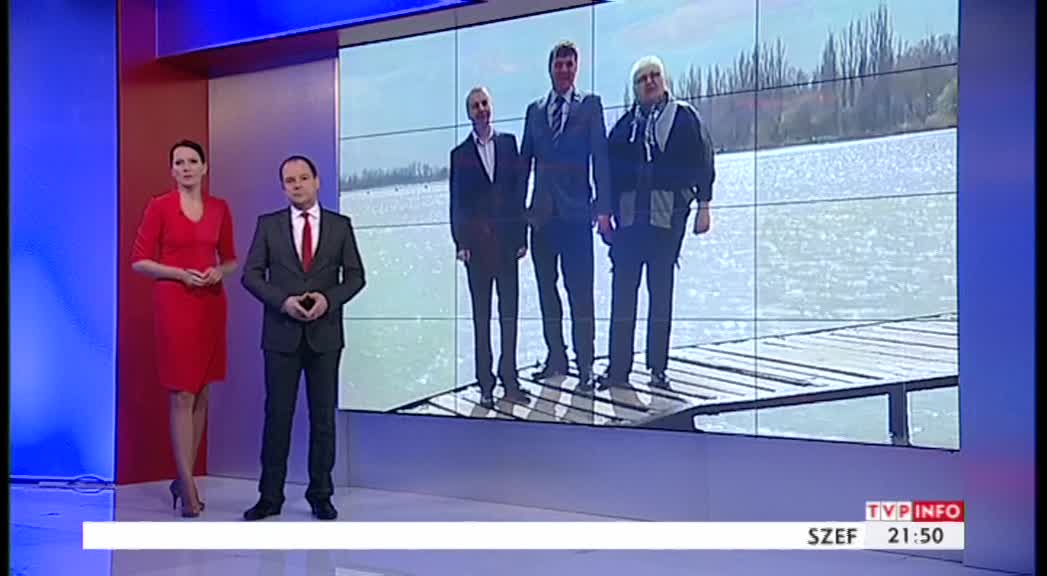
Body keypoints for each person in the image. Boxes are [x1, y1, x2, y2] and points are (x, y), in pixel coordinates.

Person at [240, 155, 366, 521]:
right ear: (283, 187)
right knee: (277, 417)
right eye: (289, 180)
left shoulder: (340, 226)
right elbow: (251, 275)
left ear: (317, 181)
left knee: (323, 418)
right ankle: (269, 497)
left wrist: (328, 299)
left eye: (303, 178)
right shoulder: (268, 225)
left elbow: (356, 277)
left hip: (325, 338)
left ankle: (321, 494)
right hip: (281, 336)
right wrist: (283, 302)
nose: (297, 185)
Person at [131, 139, 238, 518]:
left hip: (210, 304)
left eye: (193, 161)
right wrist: (179, 274)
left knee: (202, 390)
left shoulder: (219, 208)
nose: (186, 167)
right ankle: (188, 485)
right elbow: (139, 261)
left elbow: (230, 259)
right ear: (172, 170)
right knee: (182, 393)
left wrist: (217, 272)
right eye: (179, 162)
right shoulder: (159, 206)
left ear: (204, 167)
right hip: (175, 304)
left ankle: (183, 478)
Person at [598, 56, 715, 391]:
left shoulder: (684, 117)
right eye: (642, 79)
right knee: (623, 295)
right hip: (629, 224)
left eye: (654, 76)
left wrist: (704, 206)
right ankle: (618, 369)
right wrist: (604, 213)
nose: (649, 82)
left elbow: (704, 161)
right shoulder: (624, 127)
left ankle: (658, 369)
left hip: (667, 220)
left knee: (661, 295)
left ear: (664, 80)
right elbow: (607, 174)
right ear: (635, 88)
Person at [520, 40, 611, 391]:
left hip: (576, 217)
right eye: (559, 64)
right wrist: (519, 217)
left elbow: (600, 159)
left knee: (580, 293)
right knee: (547, 292)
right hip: (542, 219)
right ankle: (555, 356)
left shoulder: (590, 106)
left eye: (569, 64)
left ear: (577, 69)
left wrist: (603, 209)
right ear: (550, 69)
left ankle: (585, 364)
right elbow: (524, 165)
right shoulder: (534, 111)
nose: (564, 70)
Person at [450, 87, 530, 409]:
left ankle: (510, 379)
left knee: (509, 316)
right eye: (475, 106)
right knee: (481, 318)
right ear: (469, 113)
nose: (481, 109)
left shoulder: (509, 144)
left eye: (484, 103)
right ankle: (485, 383)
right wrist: (460, 242)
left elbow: (517, 194)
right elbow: (457, 202)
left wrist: (522, 237)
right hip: (477, 249)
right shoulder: (460, 154)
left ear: (491, 107)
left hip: (507, 245)